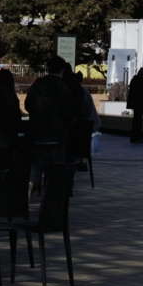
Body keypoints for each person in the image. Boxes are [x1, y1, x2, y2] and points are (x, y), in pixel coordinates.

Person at [23, 57, 87, 213]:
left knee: (37, 165)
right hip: (58, 137)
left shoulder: (36, 86)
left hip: (38, 134)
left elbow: (28, 106)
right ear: (62, 70)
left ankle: (29, 187)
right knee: (57, 170)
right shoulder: (63, 89)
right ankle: (53, 204)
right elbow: (69, 113)